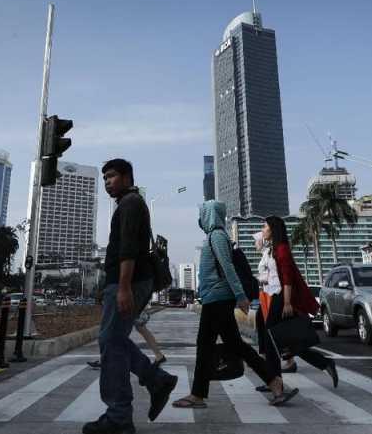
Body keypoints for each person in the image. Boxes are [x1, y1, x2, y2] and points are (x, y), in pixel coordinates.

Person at [82, 159, 178, 434]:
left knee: (110, 342)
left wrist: (123, 287)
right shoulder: (128, 203)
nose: (107, 182)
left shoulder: (130, 203)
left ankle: (119, 416)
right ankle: (156, 381)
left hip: (130, 282)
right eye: (104, 178)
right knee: (114, 341)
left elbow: (127, 249)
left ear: (127, 177)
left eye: (111, 176)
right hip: (126, 281)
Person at [172, 201, 298, 409]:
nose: (200, 218)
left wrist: (240, 296)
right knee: (224, 345)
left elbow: (227, 267)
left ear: (209, 215)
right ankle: (272, 382)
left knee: (218, 346)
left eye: (202, 214)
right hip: (214, 299)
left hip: (218, 299)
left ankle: (199, 395)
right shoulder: (215, 235)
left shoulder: (217, 235)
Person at [254, 216, 338, 390]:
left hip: (281, 298)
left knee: (273, 340)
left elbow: (287, 278)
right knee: (286, 341)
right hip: (275, 295)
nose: (262, 230)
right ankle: (324, 363)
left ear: (273, 229)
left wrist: (286, 302)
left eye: (264, 227)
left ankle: (274, 382)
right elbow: (270, 275)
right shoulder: (273, 249)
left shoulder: (282, 249)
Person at [87, 306, 167, 370]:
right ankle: (159, 355)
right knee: (139, 328)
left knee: (114, 330)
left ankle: (106, 360)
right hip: (131, 302)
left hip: (129, 303)